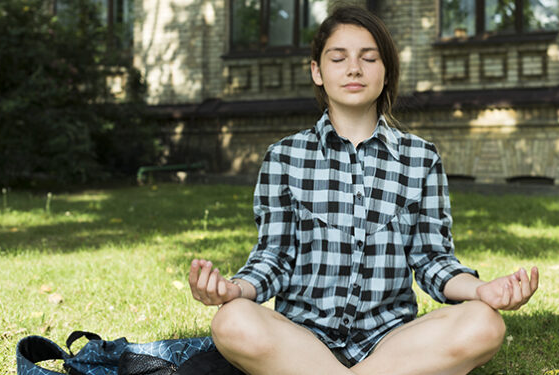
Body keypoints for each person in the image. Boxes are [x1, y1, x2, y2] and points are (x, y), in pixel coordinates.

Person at [188, 6, 539, 375]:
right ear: (317, 72)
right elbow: (273, 259)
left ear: (386, 72)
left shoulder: (421, 158)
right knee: (232, 320)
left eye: (368, 58)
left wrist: (482, 291)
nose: (353, 68)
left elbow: (433, 261)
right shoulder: (284, 157)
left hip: (390, 343)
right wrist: (233, 291)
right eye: (338, 58)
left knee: (485, 324)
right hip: (300, 340)